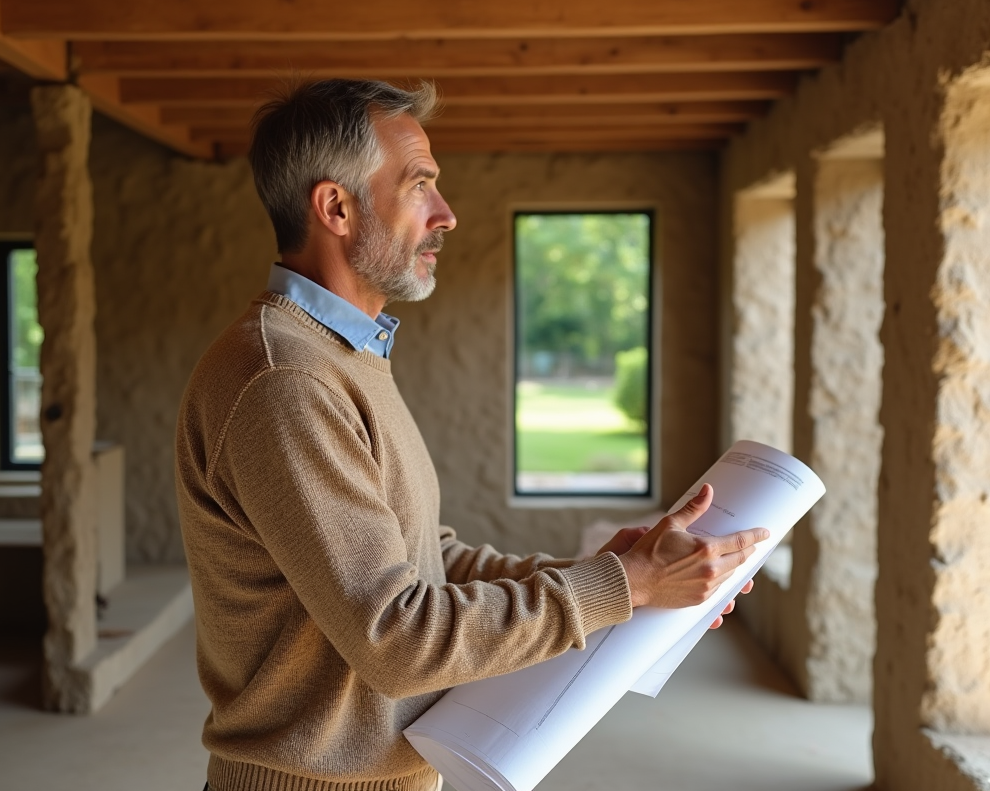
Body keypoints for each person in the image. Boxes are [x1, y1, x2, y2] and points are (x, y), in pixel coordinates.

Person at [175, 78, 768, 791]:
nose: (447, 215)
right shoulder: (287, 381)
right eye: (419, 185)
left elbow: (427, 556)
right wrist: (621, 586)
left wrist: (621, 577)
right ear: (335, 207)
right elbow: (397, 639)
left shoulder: (343, 354)